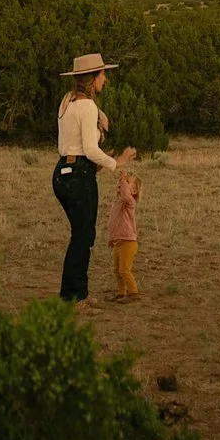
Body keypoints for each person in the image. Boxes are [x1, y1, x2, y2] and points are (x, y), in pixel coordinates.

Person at [53, 52, 133, 305]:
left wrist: (99, 114)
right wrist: (115, 162)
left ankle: (73, 294)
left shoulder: (68, 101)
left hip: (63, 173)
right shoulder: (86, 107)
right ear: (93, 78)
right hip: (79, 176)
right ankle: (75, 297)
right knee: (83, 237)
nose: (105, 79)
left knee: (80, 235)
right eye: (102, 74)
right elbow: (89, 148)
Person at [109, 162, 142, 300]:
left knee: (124, 269)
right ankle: (121, 292)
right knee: (117, 270)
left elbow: (126, 196)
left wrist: (123, 180)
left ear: (133, 191)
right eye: (121, 181)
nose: (121, 182)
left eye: (127, 182)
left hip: (128, 242)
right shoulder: (118, 203)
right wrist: (111, 239)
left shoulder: (129, 202)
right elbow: (114, 223)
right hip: (118, 242)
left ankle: (133, 292)